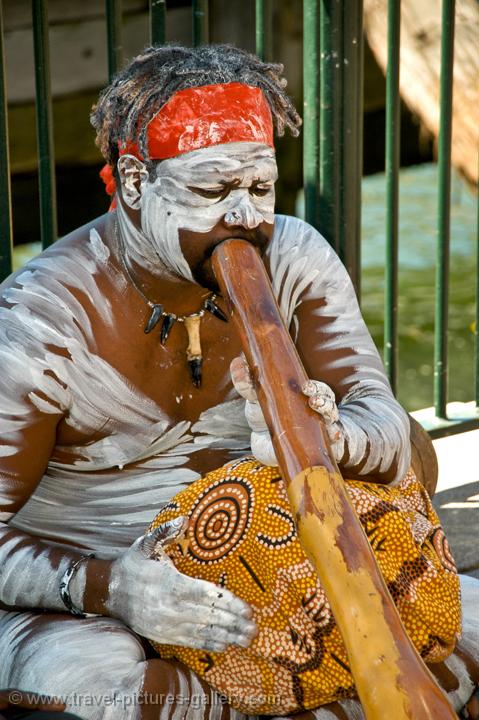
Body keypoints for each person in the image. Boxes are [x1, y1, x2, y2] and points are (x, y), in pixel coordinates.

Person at [0, 44, 477, 720]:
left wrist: (336, 440)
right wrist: (109, 587)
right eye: (212, 190)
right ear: (134, 184)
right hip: (89, 593)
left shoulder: (294, 258)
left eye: (259, 187)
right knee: (91, 686)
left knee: (464, 618)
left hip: (274, 576)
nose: (246, 218)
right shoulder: (42, 319)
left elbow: (412, 460)